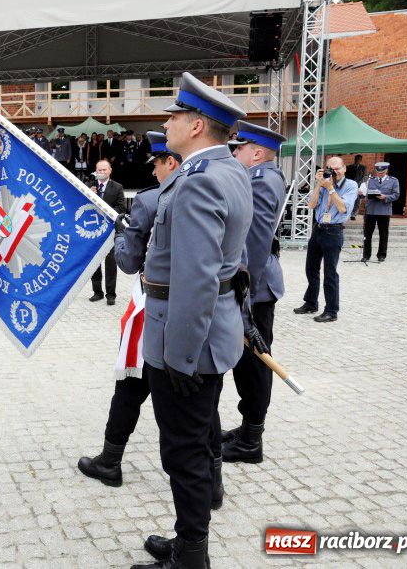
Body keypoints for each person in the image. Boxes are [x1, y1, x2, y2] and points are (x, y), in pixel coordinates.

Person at [131, 73, 253, 569]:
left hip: (187, 344)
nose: (167, 122)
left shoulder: (200, 182)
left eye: (175, 115)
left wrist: (180, 357)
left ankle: (191, 557)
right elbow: (233, 262)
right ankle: (188, 542)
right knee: (196, 443)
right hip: (208, 336)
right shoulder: (229, 171)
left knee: (183, 453)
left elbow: (198, 279)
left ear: (198, 126)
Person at [78, 132, 186, 488]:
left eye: (156, 164)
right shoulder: (211, 189)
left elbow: (127, 262)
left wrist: (121, 234)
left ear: (171, 162)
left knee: (129, 388)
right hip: (194, 312)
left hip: (153, 310)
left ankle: (111, 461)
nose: (153, 172)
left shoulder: (151, 200)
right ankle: (211, 476)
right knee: (196, 404)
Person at [222, 121, 288, 465]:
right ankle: (248, 426)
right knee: (247, 361)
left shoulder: (262, 180)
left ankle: (251, 440)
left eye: (241, 148)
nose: (235, 153)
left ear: (257, 153)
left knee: (256, 361)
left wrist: (244, 293)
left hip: (256, 289)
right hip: (254, 285)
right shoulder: (260, 177)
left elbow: (256, 242)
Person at [294, 156, 358, 322]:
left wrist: (331, 189)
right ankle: (310, 303)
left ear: (344, 169)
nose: (333, 171)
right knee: (311, 268)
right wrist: (318, 185)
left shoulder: (351, 185)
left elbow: (343, 208)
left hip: (334, 231)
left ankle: (331, 310)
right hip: (318, 228)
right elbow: (312, 205)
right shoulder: (323, 183)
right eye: (329, 168)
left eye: (336, 168)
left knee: (330, 273)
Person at [89, 160, 126, 305]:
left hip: (110, 231)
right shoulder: (90, 187)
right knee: (95, 264)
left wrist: (106, 213)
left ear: (110, 170)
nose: (101, 172)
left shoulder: (117, 187)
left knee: (111, 263)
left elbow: (121, 208)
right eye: (99, 170)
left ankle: (111, 294)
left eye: (104, 170)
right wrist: (90, 195)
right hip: (94, 231)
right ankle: (97, 292)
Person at [360, 161, 399, 263]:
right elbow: (364, 193)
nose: (380, 174)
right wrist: (362, 195)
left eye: (382, 172)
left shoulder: (393, 181)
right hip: (371, 210)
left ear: (386, 170)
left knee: (383, 234)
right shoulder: (370, 180)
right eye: (378, 172)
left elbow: (396, 195)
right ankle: (366, 255)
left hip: (384, 211)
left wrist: (385, 197)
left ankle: (381, 255)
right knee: (367, 234)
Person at [346, 154, 367, 220]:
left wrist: (361, 185)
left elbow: (365, 176)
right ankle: (348, 213)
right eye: (356, 158)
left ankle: (354, 215)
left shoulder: (363, 167)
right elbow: (346, 176)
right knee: (350, 200)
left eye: (359, 159)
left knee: (358, 201)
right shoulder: (349, 167)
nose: (357, 160)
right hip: (350, 186)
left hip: (359, 186)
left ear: (361, 160)